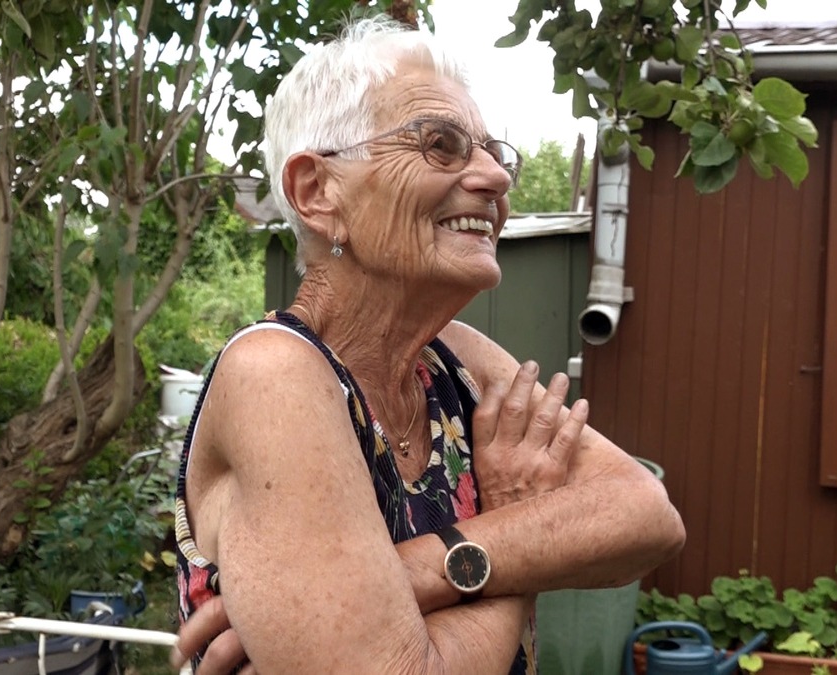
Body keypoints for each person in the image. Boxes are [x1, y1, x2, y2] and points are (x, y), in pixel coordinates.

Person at [170, 16, 685, 674]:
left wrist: (408, 573)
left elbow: (647, 514)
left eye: (496, 152)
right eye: (441, 144)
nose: (497, 177)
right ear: (317, 191)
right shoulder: (273, 371)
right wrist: (520, 521)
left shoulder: (459, 361)